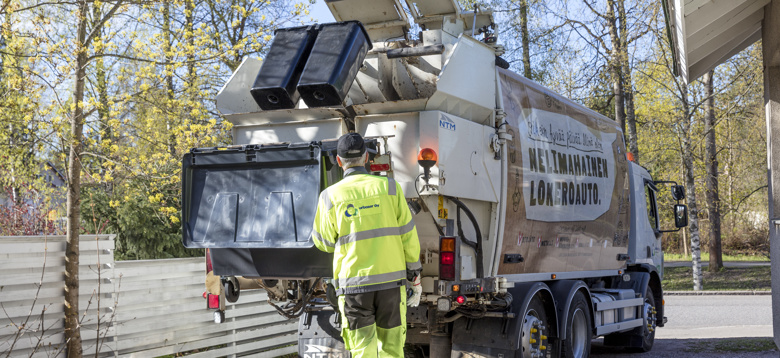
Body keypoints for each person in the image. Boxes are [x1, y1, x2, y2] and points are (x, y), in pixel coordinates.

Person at [311, 132, 422, 358]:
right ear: (366, 159)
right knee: (391, 349)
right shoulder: (390, 188)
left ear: (339, 161)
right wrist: (415, 275)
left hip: (354, 287)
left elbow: (323, 242)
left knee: (363, 351)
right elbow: (409, 236)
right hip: (391, 286)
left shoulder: (329, 197)